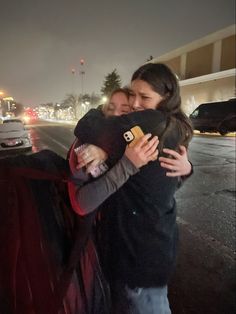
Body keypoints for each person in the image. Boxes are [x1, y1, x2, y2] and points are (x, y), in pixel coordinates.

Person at [70, 63, 193, 314]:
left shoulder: (148, 122)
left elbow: (88, 127)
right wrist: (188, 168)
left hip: (138, 259)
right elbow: (166, 180)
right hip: (152, 248)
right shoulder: (173, 125)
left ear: (166, 97)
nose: (135, 105)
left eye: (142, 98)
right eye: (132, 96)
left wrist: (111, 149)